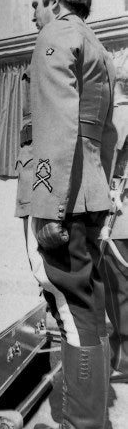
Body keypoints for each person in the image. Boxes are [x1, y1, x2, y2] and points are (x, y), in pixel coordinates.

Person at [10, 0, 116, 429]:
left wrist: (49, 205)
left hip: (63, 199)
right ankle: (81, 427)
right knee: (86, 313)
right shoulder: (95, 44)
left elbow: (55, 130)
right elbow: (107, 133)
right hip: (89, 192)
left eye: (35, 2)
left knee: (75, 317)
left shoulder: (55, 35)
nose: (31, 13)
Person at [101, 50, 128, 379]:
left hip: (117, 218)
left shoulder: (116, 119)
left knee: (118, 289)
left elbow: (107, 170)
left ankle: (123, 359)